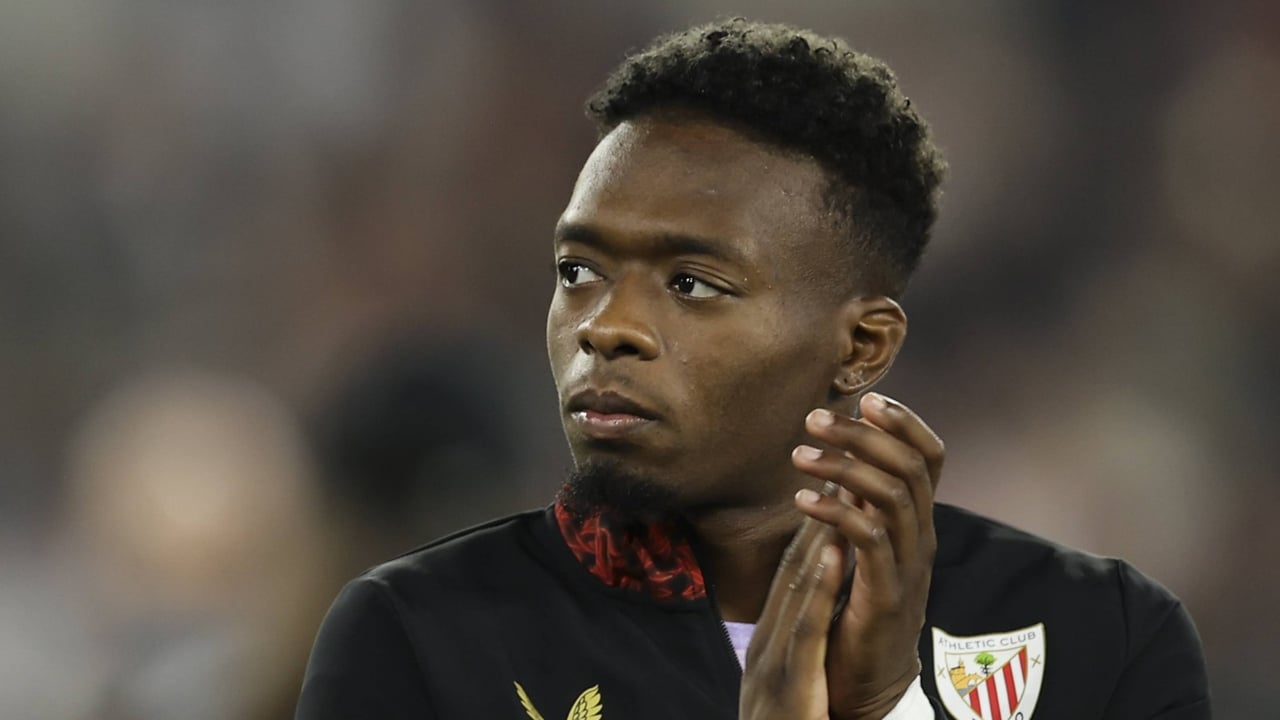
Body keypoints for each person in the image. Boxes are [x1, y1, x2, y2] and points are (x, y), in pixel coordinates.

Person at [296, 19, 1210, 720]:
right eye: (579, 272)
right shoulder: (418, 636)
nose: (606, 328)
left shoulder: (1099, 637)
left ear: (863, 347)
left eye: (692, 284)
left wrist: (891, 708)